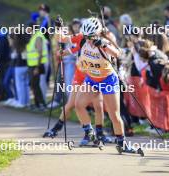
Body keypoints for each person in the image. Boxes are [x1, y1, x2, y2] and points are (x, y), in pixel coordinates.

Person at [54, 17, 140, 153]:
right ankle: (89, 132)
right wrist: (59, 27)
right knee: (78, 104)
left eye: (91, 37)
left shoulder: (104, 42)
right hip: (92, 79)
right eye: (86, 36)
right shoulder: (82, 38)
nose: (88, 39)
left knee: (114, 115)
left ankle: (122, 144)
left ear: (97, 33)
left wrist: (103, 45)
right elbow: (61, 39)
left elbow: (118, 54)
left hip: (107, 80)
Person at [26, 23, 48, 111]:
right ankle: (37, 104)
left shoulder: (38, 37)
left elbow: (40, 52)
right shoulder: (34, 36)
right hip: (32, 64)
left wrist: (37, 68)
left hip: (36, 65)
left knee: (35, 85)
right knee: (33, 85)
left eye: (27, 28)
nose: (26, 30)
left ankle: (42, 104)